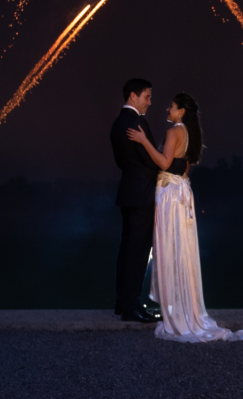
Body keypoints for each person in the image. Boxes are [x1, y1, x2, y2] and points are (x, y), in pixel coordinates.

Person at [127, 92, 243, 342]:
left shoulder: (174, 132)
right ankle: (182, 308)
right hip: (182, 192)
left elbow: (164, 162)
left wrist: (143, 140)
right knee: (180, 249)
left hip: (171, 195)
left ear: (181, 111)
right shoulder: (191, 133)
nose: (166, 110)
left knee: (170, 248)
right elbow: (182, 166)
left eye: (171, 107)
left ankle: (176, 313)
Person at [110, 78, 162, 323]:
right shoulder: (138, 123)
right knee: (139, 251)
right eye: (147, 97)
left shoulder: (117, 124)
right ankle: (132, 306)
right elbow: (151, 160)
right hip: (142, 195)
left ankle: (122, 303)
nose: (150, 102)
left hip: (128, 193)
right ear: (133, 96)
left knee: (126, 249)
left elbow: (122, 163)